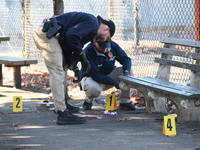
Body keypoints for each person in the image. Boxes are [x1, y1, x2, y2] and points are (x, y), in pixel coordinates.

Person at [33, 12, 116, 125]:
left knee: (62, 68)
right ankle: (62, 112)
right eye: (107, 38)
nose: (104, 40)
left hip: (52, 35)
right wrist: (81, 54)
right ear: (107, 29)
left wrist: (75, 67)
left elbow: (69, 42)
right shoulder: (92, 24)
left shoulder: (90, 27)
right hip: (48, 35)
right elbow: (71, 36)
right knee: (57, 72)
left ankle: (62, 104)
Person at [81, 38, 136, 110]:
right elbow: (96, 75)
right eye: (102, 46)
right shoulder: (87, 52)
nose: (105, 49)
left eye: (106, 46)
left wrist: (126, 72)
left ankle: (124, 101)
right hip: (93, 78)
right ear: (95, 42)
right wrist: (113, 82)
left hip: (109, 74)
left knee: (129, 71)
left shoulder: (112, 45)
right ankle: (88, 100)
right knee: (93, 89)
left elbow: (125, 59)